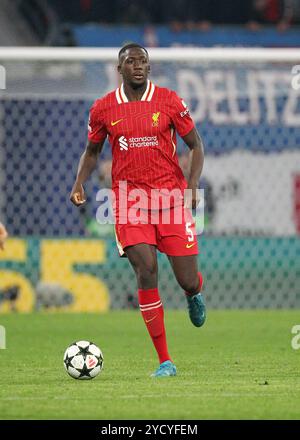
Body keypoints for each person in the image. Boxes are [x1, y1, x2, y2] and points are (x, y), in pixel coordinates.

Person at [70, 43, 206, 378]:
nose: (139, 66)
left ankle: (194, 293)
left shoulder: (169, 101)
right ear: (120, 69)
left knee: (186, 280)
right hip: (129, 202)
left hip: (171, 200)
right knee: (146, 270)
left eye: (143, 61)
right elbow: (92, 151)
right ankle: (165, 360)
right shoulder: (103, 109)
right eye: (131, 61)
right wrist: (79, 183)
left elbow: (196, 145)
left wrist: (192, 185)